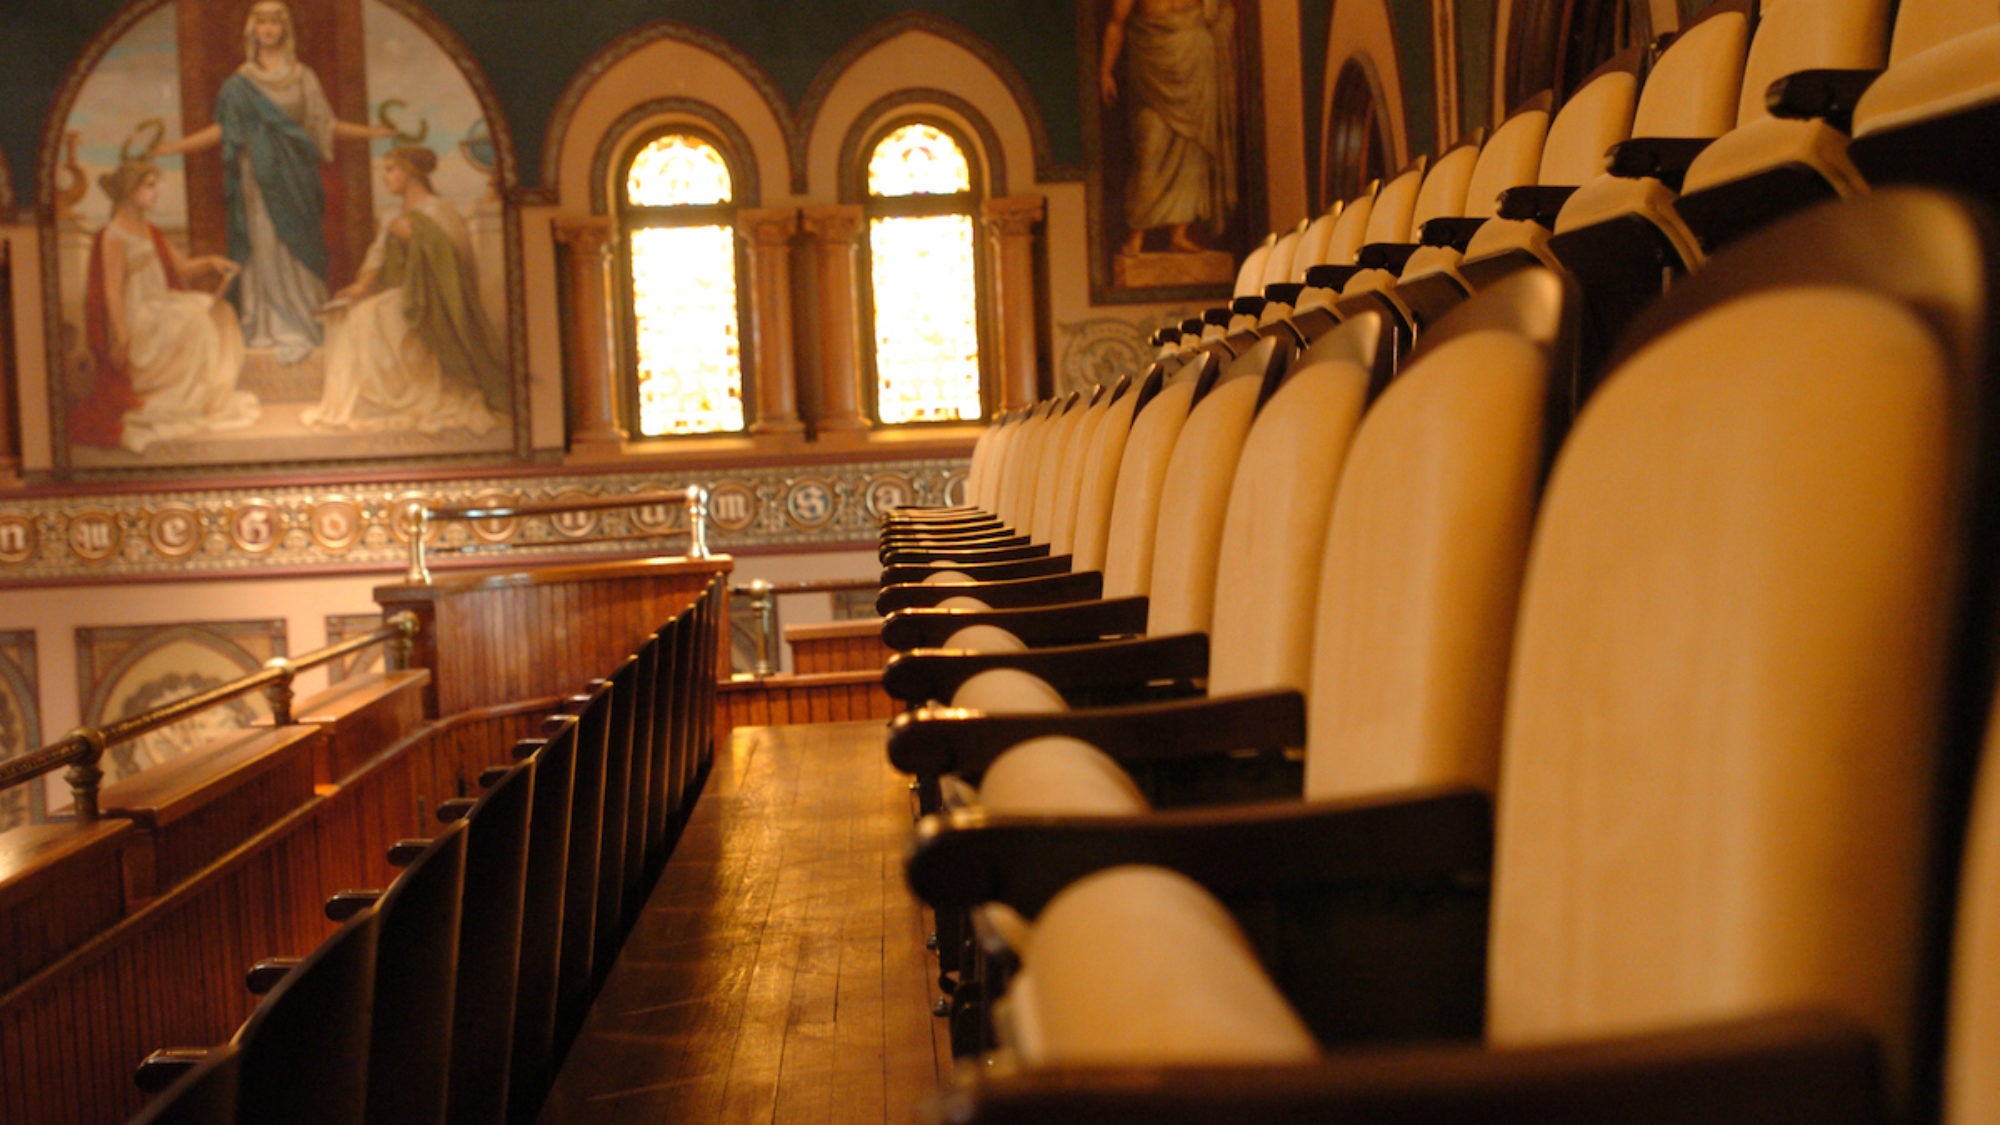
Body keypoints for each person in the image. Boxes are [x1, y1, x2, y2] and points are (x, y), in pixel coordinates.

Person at [155, 1, 391, 365]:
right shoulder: (240, 84)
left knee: (301, 247)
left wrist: (370, 133)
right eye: (262, 21)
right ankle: (265, 328)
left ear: (286, 29)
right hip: (258, 182)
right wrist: (176, 146)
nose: (268, 28)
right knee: (264, 244)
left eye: (275, 21)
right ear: (251, 29)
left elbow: (325, 125)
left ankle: (304, 325)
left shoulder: (303, 77)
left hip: (297, 180)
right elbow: (223, 130)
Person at [301, 146, 506, 435]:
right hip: (401, 293)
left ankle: (396, 396)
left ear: (411, 173)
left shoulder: (439, 209)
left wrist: (414, 237)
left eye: (390, 169)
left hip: (431, 298)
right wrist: (359, 286)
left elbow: (454, 261)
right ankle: (374, 398)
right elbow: (378, 254)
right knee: (352, 314)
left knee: (372, 317)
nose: (385, 176)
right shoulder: (392, 214)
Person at [68, 161, 258, 454]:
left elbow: (181, 268)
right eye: (150, 186)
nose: (156, 192)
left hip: (162, 304)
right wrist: (122, 333)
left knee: (219, 312)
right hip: (140, 315)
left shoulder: (149, 230)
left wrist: (211, 262)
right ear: (131, 190)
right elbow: (112, 291)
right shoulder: (113, 235)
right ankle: (185, 400)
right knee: (193, 317)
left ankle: (205, 398)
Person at [1099, 0, 1240, 255]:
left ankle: (1179, 234)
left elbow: (1221, 12)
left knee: (1192, 153)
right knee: (1150, 149)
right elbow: (1115, 23)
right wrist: (1105, 71)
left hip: (1196, 68)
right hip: (1152, 66)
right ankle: (1136, 237)